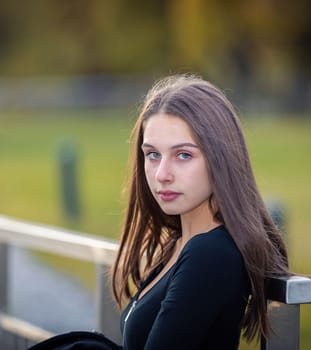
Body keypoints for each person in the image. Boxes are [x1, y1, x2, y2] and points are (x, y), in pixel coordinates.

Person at [111, 74, 290, 350]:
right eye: (152, 154)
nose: (162, 174)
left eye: (183, 155)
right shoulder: (178, 243)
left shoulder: (211, 253)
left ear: (220, 159)